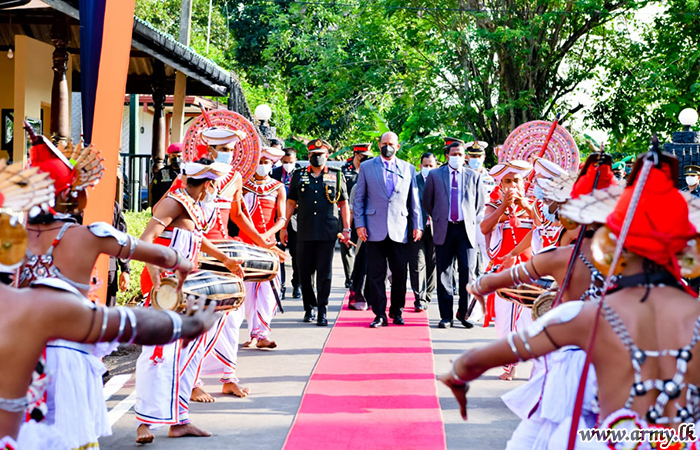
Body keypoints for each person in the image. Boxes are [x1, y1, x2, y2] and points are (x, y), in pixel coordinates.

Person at [442, 149, 700, 449]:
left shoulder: (589, 316)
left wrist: (458, 376)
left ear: (611, 246)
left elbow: (474, 361)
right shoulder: (692, 314)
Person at [17, 132, 206, 450]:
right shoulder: (90, 236)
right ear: (72, 196)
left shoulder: (11, 238)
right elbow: (158, 253)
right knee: (70, 437)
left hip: (18, 354)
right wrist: (181, 266)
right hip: (69, 357)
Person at [466, 153, 618, 449]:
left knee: (556, 428)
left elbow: (511, 277)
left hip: (571, 355)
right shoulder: (625, 256)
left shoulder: (561, 255)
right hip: (606, 356)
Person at [134, 158, 244, 444]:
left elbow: (197, 238)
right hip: (167, 293)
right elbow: (145, 241)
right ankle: (144, 423)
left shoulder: (195, 206)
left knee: (188, 357)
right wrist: (158, 280)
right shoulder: (172, 203)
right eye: (214, 185)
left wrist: (225, 259)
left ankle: (180, 420)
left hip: (189, 291)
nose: (215, 189)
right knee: (158, 356)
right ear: (207, 185)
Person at [354, 131, 423, 328]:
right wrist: (360, 224)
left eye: (391, 144)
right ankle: (379, 314)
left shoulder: (408, 168)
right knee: (376, 274)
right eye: (384, 143)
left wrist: (417, 225)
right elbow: (359, 199)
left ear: (398, 146)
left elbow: (414, 200)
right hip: (374, 228)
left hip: (400, 228)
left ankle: (397, 311)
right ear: (379, 145)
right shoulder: (367, 167)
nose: (388, 147)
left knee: (400, 273)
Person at [282, 139, 351, 326]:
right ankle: (309, 307)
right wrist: (283, 226)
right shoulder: (299, 175)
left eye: (320, 154)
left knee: (324, 272)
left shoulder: (336, 175)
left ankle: (322, 309)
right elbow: (291, 202)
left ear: (327, 156)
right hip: (304, 230)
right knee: (304, 271)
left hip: (327, 231)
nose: (317, 158)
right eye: (313, 155)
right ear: (308, 156)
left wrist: (346, 228)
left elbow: (344, 203)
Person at [480, 160, 536, 380]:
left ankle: (538, 368)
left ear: (524, 182)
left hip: (532, 271)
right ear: (501, 184)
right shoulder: (493, 205)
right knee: (505, 322)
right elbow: (485, 227)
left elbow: (545, 226)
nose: (512, 185)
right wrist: (504, 207)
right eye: (508, 181)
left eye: (516, 180)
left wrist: (526, 207)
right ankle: (509, 366)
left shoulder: (534, 204)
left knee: (532, 320)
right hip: (504, 272)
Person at [423, 138, 485, 329]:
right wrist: (439, 216)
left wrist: (467, 217)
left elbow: (479, 204)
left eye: (460, 154)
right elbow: (427, 201)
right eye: (453, 154)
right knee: (444, 272)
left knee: (467, 270)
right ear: (447, 156)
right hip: (444, 228)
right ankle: (446, 316)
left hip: (465, 230)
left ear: (464, 157)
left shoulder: (473, 176)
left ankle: (464, 313)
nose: (457, 157)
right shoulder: (435, 175)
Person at [239, 146, 286, 348]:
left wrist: (264, 237)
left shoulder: (278, 187)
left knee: (267, 290)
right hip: (245, 244)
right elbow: (236, 215)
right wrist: (255, 238)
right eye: (260, 161)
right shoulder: (242, 186)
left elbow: (281, 218)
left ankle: (263, 334)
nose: (263, 165)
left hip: (268, 245)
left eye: (267, 162)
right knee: (248, 292)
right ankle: (253, 334)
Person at [340, 143, 373, 292]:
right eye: (363, 156)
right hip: (348, 214)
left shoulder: (371, 171)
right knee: (347, 246)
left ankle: (359, 276)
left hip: (366, 217)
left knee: (364, 250)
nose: (365, 159)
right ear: (356, 154)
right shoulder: (344, 172)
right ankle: (350, 277)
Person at [409, 152, 437, 312]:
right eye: (425, 165)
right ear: (420, 166)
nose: (428, 168)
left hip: (435, 229)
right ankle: (419, 298)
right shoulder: (414, 181)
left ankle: (428, 296)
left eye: (431, 165)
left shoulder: (439, 180)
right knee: (417, 264)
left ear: (436, 166)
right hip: (417, 229)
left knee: (432, 264)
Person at [272, 147, 301, 299]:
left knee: (297, 255)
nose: (287, 165)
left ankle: (297, 285)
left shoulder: (302, 174)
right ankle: (281, 285)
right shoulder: (274, 173)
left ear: (295, 160)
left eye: (290, 162)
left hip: (296, 219)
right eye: (285, 162)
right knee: (279, 253)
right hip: (277, 219)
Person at [107, 200, 130, 308]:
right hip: (107, 268)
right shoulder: (111, 203)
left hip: (108, 268)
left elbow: (121, 238)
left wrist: (125, 270)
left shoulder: (112, 204)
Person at [150, 143, 183, 207]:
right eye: (173, 156)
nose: (176, 159)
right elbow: (155, 191)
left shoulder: (187, 172)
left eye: (179, 156)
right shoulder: (162, 172)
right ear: (169, 156)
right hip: (166, 204)